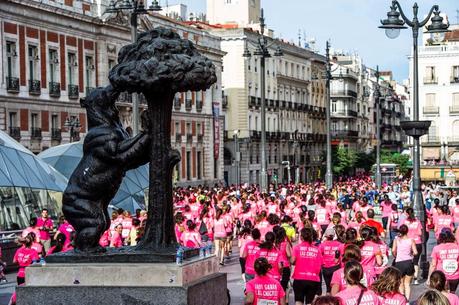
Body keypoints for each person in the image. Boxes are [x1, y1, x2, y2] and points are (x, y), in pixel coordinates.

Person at [291, 227, 323, 305]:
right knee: (309, 302)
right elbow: (321, 264)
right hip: (313, 279)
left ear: (301, 237)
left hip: (299, 278)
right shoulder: (317, 249)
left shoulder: (297, 248)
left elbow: (292, 261)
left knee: (298, 301)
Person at [429, 228, 459, 293]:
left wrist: (429, 277)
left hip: (442, 276)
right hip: (455, 275)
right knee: (452, 293)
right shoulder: (457, 247)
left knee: (443, 294)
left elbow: (433, 265)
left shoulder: (437, 248)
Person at [392, 224, 417, 299]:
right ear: (407, 231)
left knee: (400, 283)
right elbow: (415, 252)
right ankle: (407, 301)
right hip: (409, 262)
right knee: (407, 284)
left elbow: (393, 250)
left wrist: (395, 256)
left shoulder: (396, 239)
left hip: (399, 263)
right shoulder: (411, 240)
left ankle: (402, 299)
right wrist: (411, 254)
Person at [320, 227, 344, 294]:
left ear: (326, 236)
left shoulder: (322, 245)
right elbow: (341, 256)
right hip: (335, 267)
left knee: (328, 288)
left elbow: (320, 256)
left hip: (325, 268)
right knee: (335, 287)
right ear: (334, 236)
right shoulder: (339, 244)